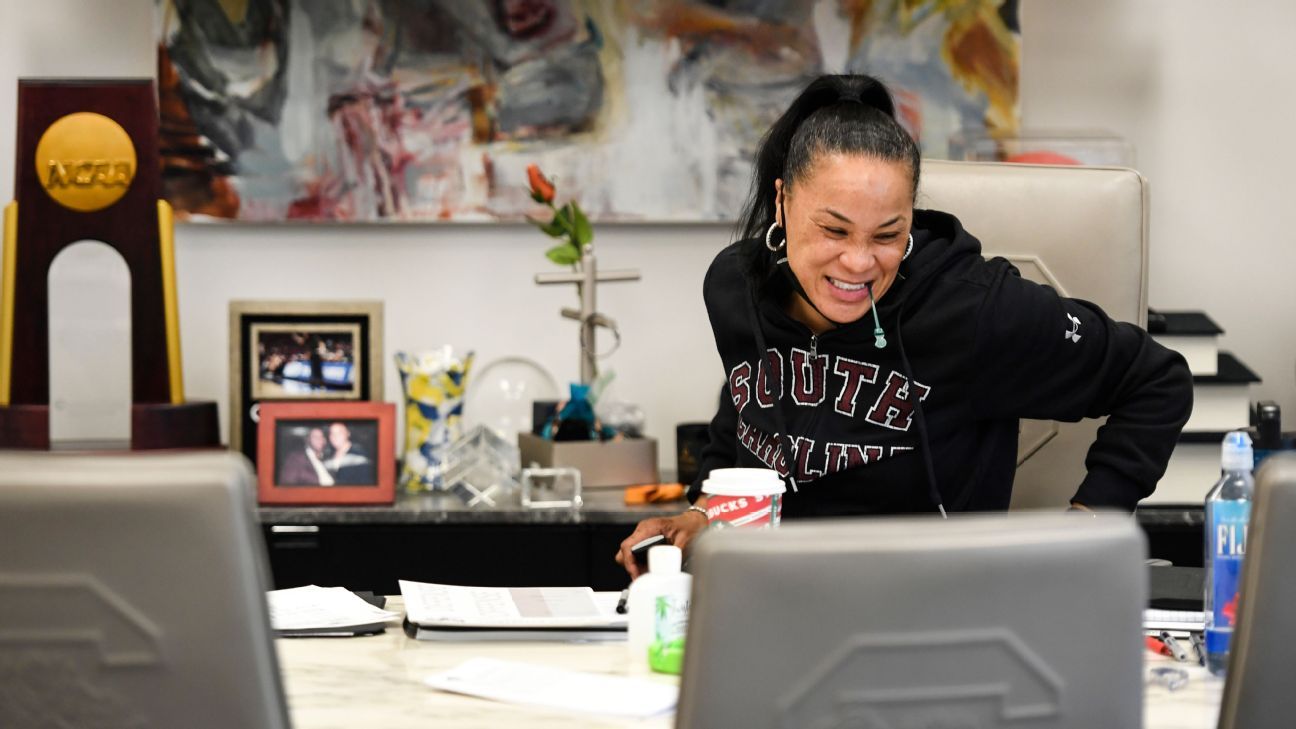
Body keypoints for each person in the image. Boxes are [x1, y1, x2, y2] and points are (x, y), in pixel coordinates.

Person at [617, 74, 1192, 577]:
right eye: (835, 231)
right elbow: (746, 407)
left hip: (930, 603)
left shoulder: (973, 310)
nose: (859, 262)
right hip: (773, 593)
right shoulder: (735, 286)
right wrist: (702, 509)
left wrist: (1089, 525)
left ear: (911, 221)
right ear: (784, 202)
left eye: (887, 235)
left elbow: (1157, 379)